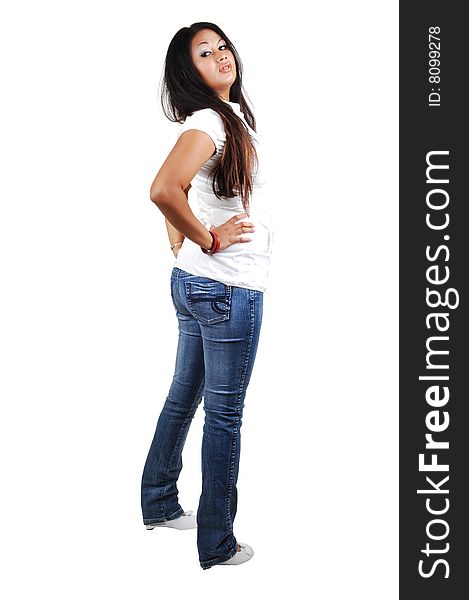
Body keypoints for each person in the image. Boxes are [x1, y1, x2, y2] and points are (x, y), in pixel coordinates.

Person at [140, 21, 274, 571]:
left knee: (184, 398)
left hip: (199, 282)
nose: (220, 55)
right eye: (204, 52)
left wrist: (186, 240)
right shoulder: (209, 122)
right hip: (227, 288)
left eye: (222, 46)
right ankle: (217, 542)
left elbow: (184, 192)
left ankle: (159, 503)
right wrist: (208, 238)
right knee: (223, 416)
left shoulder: (229, 116)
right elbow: (162, 188)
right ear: (187, 71)